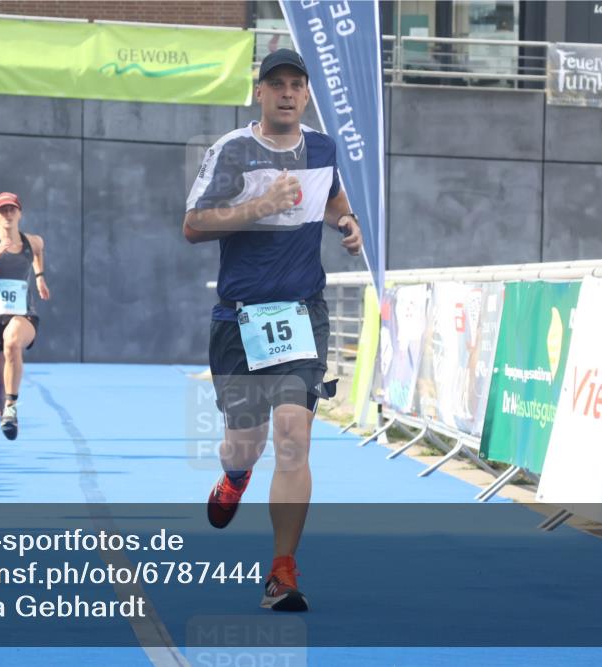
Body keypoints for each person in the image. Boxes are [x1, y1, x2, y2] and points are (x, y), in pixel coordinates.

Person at [182, 49, 362, 612]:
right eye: (276, 84)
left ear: (306, 95)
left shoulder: (323, 148)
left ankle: (282, 570)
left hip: (302, 313)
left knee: (293, 436)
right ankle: (234, 476)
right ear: (259, 92)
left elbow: (332, 196)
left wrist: (346, 220)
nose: (286, 93)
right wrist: (260, 205)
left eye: (296, 85)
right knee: (246, 442)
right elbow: (193, 225)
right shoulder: (232, 150)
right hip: (240, 318)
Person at [0, 192, 50, 440]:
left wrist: (40, 277)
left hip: (23, 313)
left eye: (12, 209)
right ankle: (4, 413)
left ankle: (11, 405)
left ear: (20, 213)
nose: (8, 214)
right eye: (2, 210)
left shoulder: (32, 241)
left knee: (13, 340)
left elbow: (39, 252)